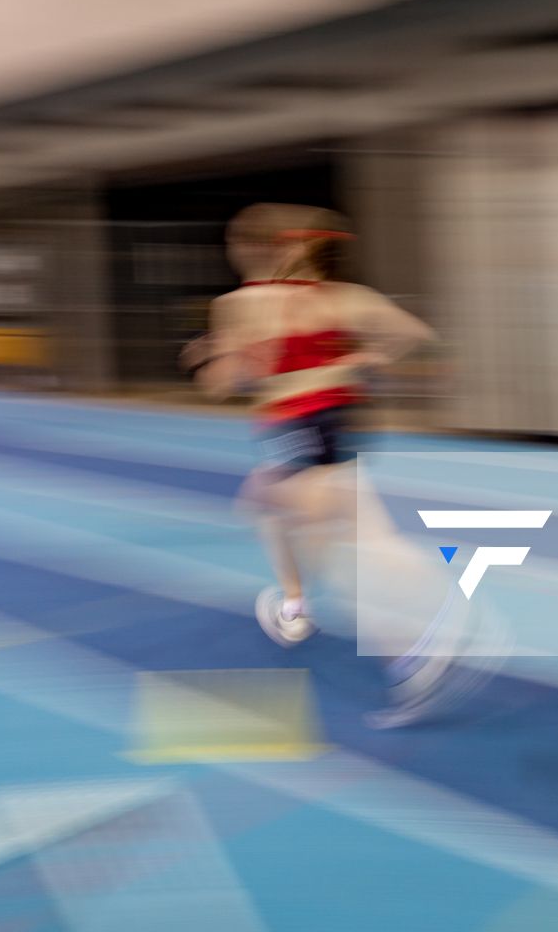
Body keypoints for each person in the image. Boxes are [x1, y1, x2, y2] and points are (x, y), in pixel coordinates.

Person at [188, 204, 482, 726]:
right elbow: (413, 332)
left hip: (292, 426)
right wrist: (363, 360)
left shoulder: (243, 303)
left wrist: (210, 360)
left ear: (258, 251)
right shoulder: (348, 299)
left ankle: (429, 635)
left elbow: (226, 383)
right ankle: (302, 608)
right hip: (340, 420)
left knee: (344, 546)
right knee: (288, 512)